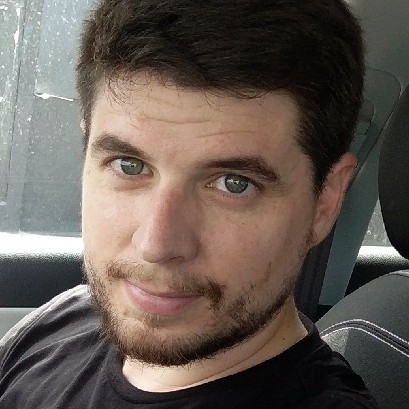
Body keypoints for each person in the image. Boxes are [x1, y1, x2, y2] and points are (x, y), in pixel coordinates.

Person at [0, 0, 379, 407]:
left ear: (325, 201)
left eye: (234, 184)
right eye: (129, 165)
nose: (156, 245)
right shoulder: (59, 322)